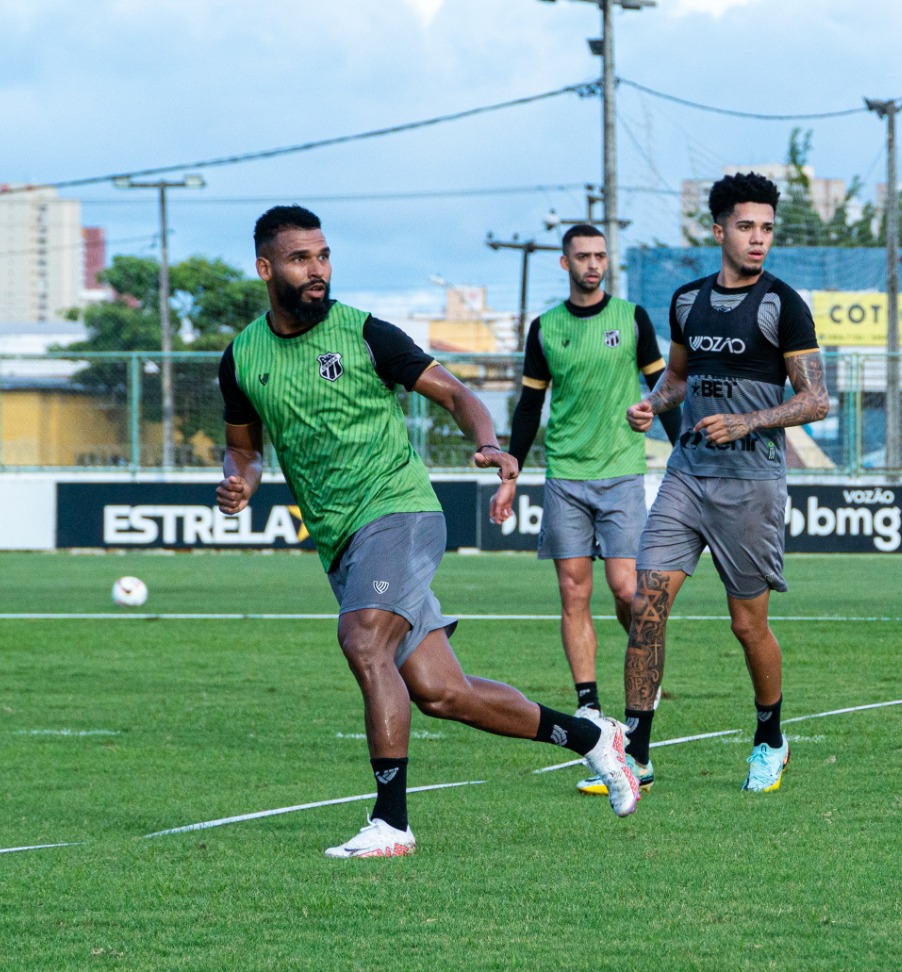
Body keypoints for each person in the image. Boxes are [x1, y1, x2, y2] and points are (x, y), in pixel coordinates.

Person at [216, 206, 640, 858]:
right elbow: (243, 448)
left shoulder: (365, 334)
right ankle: (592, 739)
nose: (317, 270)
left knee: (363, 642)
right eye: (301, 259)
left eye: (323, 255)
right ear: (266, 268)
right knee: (444, 693)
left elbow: (457, 395)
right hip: (341, 539)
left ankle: (391, 822)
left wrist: (490, 442)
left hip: (400, 511)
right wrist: (241, 477)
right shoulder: (242, 357)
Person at [617, 172, 829, 795]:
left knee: (748, 625)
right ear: (718, 231)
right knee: (645, 605)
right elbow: (679, 379)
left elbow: (816, 399)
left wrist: (750, 421)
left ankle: (770, 738)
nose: (758, 239)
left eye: (766, 228)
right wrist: (653, 405)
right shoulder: (687, 301)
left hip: (752, 483)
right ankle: (637, 751)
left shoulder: (782, 304)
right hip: (686, 474)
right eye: (746, 227)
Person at [492, 224, 680, 732]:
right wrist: (511, 471)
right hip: (565, 477)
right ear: (565, 264)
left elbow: (662, 386)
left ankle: (644, 664)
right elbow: (530, 405)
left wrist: (682, 447)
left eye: (600, 256)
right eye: (583, 257)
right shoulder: (546, 328)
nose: (593, 264)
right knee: (573, 593)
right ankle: (589, 703)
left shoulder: (631, 317)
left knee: (625, 589)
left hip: (620, 472)